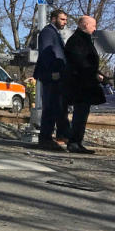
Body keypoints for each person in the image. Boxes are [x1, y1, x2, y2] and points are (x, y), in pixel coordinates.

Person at [62, 15, 105, 154]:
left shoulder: (81, 39)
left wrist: (96, 73)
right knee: (80, 114)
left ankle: (77, 142)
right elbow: (80, 62)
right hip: (80, 84)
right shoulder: (78, 40)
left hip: (83, 83)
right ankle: (74, 142)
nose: (95, 28)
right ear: (85, 25)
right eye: (93, 25)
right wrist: (94, 73)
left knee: (82, 113)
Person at [33, 9, 70, 151]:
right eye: (62, 19)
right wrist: (54, 72)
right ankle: (45, 138)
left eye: (66, 20)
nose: (65, 22)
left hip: (56, 77)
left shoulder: (54, 32)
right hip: (52, 77)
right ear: (53, 19)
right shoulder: (48, 32)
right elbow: (46, 53)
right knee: (50, 108)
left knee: (58, 107)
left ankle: (60, 136)